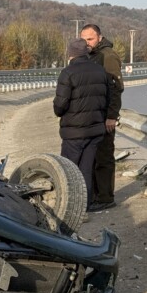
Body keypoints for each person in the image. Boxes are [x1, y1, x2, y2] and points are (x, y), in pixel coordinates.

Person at [53, 38, 110, 210]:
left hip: (73, 132)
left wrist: (58, 111)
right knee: (86, 168)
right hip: (94, 130)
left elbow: (60, 106)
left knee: (69, 169)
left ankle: (70, 206)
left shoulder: (68, 73)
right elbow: (106, 99)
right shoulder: (100, 71)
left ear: (70, 54)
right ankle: (86, 204)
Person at [80, 24, 123, 212]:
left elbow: (116, 89)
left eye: (90, 39)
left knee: (104, 156)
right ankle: (97, 195)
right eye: (83, 39)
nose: (86, 43)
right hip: (94, 115)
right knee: (94, 157)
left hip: (105, 116)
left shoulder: (108, 56)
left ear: (99, 37)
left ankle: (106, 198)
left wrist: (111, 116)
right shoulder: (91, 55)